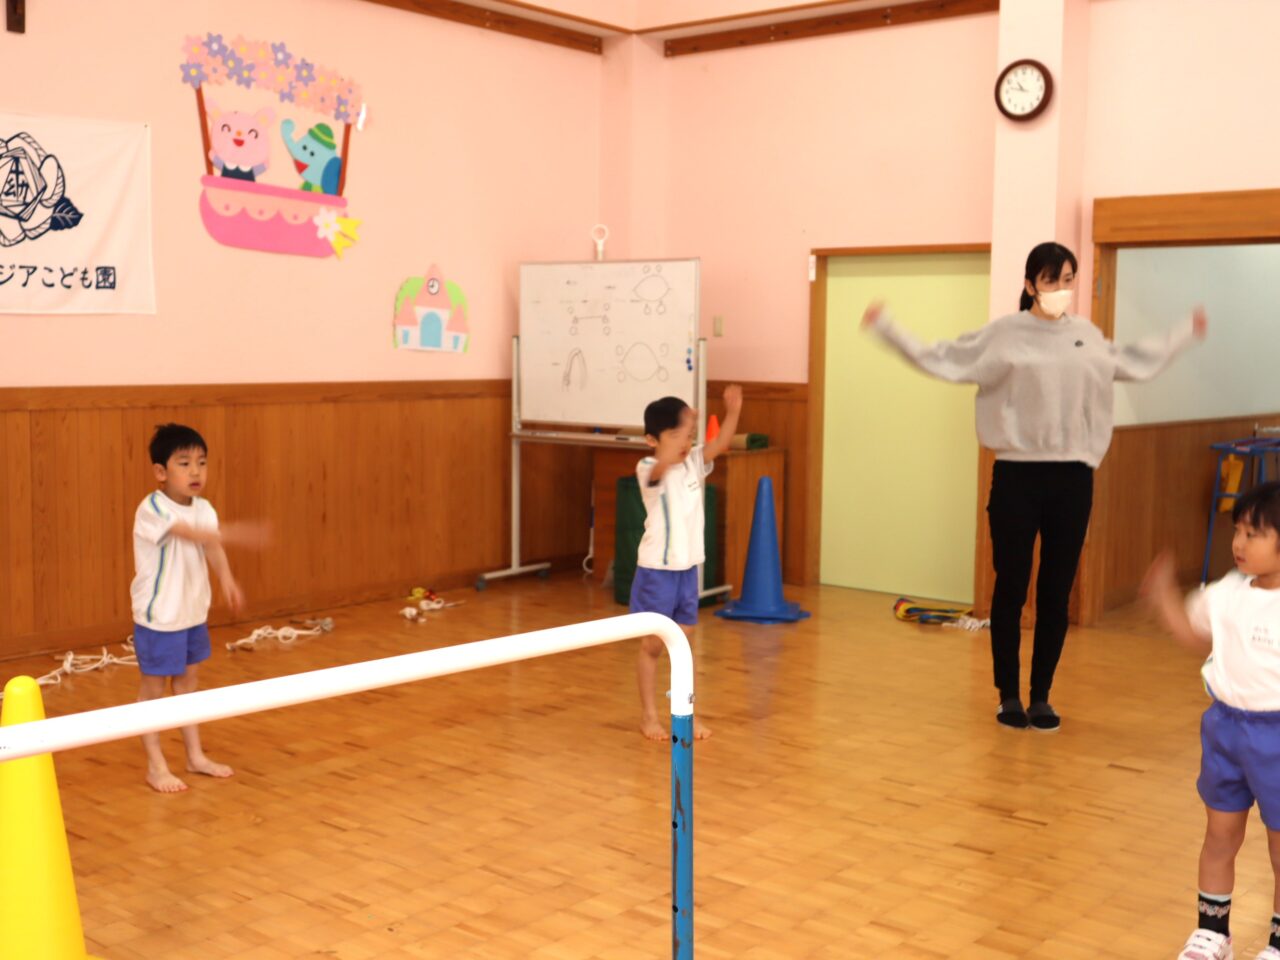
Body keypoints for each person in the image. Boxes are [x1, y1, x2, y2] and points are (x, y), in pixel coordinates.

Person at [862, 241, 1206, 731]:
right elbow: (943, 358)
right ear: (1029, 284)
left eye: (1068, 279)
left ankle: (1041, 695)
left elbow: (1135, 360)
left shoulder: (1086, 336)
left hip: (1073, 478)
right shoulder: (1004, 335)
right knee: (1011, 587)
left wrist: (1183, 333)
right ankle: (1008, 695)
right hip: (1017, 475)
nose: (1061, 289)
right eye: (1051, 280)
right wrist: (889, 329)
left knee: (1056, 591)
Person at [1142, 482, 1280, 960]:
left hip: (1277, 736)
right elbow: (1192, 632)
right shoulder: (1226, 592)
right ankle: (1213, 932)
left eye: (1254, 534)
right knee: (1220, 835)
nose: (1239, 543)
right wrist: (1164, 596)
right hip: (1225, 730)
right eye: (1237, 531)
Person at [130, 423, 263, 793]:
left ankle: (195, 756)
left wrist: (228, 580)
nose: (195, 472)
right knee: (153, 691)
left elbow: (211, 546)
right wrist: (235, 532)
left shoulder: (204, 508)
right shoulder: (152, 508)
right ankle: (156, 766)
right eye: (184, 463)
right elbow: (187, 532)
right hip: (159, 618)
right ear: (161, 472)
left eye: (202, 463)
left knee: (187, 685)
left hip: (192, 614)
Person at [632, 384, 742, 740]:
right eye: (675, 435)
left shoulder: (694, 461)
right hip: (656, 572)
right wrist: (680, 435)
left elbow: (720, 444)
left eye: (689, 436)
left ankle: (685, 714)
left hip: (688, 570)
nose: (685, 443)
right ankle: (649, 716)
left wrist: (733, 411)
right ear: (652, 440)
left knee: (683, 645)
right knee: (653, 646)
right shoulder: (648, 467)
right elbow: (661, 467)